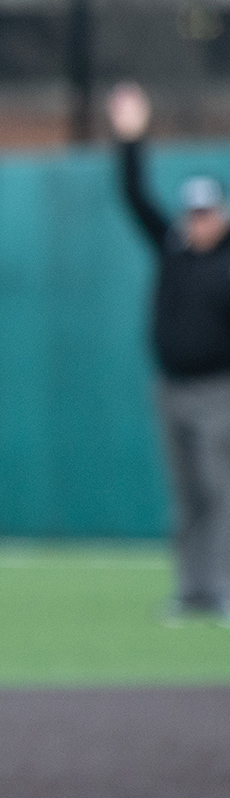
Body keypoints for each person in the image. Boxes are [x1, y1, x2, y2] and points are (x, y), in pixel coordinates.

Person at [109, 80, 230, 617]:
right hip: (171, 388)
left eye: (208, 213)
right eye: (193, 213)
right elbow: (135, 197)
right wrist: (131, 137)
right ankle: (193, 590)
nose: (199, 221)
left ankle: (224, 588)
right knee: (186, 498)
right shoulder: (173, 249)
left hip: (218, 390)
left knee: (220, 491)